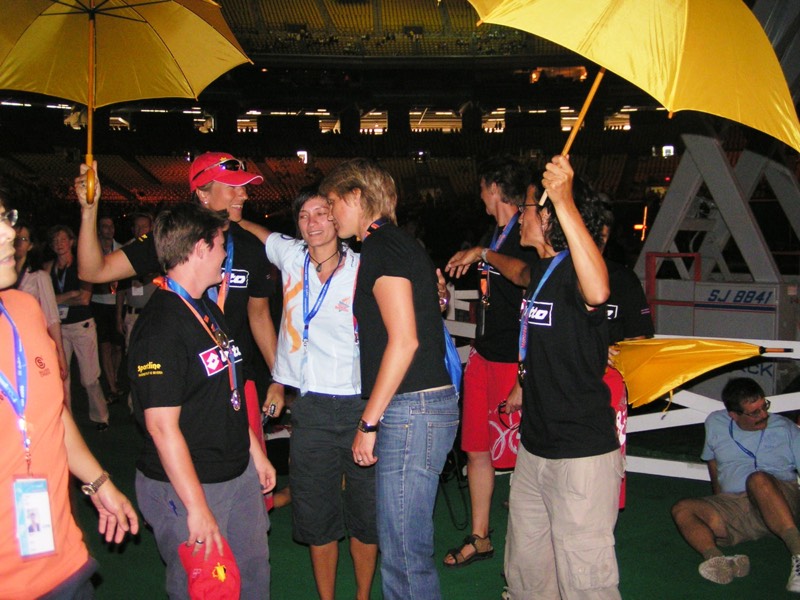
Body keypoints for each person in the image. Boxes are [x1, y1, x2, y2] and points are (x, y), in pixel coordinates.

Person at [74, 153, 278, 487]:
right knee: (187, 473)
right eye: (233, 187)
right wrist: (88, 211)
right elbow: (93, 271)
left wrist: (279, 379)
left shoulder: (251, 247)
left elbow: (259, 316)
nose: (243, 194)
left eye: (244, 187)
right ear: (202, 194)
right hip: (184, 384)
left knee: (248, 483)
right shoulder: (172, 239)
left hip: (235, 380)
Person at [321, 158, 459, 600]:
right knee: (403, 545)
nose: (330, 214)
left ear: (357, 196)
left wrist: (368, 423)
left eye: (332, 203)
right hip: (420, 405)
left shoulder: (383, 247)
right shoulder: (395, 244)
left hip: (412, 407)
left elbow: (404, 342)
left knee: (403, 551)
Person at [129, 202, 275, 599]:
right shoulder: (160, 329)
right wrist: (196, 507)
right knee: (207, 588)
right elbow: (161, 428)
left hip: (235, 471)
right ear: (199, 248)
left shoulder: (205, 307)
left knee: (253, 575)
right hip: (188, 484)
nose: (226, 255)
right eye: (221, 245)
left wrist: (255, 454)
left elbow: (225, 393)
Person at [240, 189, 378, 600]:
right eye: (304, 215)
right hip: (311, 407)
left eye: (321, 212)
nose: (313, 222)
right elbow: (255, 231)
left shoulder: (364, 266)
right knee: (318, 516)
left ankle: (363, 596)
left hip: (360, 405)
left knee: (365, 513)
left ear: (337, 218)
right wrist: (230, 212)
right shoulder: (290, 256)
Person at [0, 196, 139, 600]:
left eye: (6, 217)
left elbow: (52, 415)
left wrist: (99, 482)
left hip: (65, 564)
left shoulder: (23, 310)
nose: (9, 232)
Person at [503, 154, 623, 599]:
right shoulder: (542, 271)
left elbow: (599, 290)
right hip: (535, 447)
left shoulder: (576, 268)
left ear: (548, 215)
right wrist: (483, 255)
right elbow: (519, 274)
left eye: (527, 207)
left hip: (580, 455)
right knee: (527, 576)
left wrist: (565, 200)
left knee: (585, 583)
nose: (519, 216)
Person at [442, 156, 537, 568]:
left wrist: (483, 253)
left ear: (495, 188)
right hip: (483, 356)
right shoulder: (494, 233)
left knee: (526, 457)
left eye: (482, 188)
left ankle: (532, 543)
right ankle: (480, 538)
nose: (479, 195)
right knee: (476, 449)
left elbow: (526, 276)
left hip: (514, 362)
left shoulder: (527, 233)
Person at [671, 377, 800, 592]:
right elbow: (712, 460)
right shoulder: (716, 423)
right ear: (733, 415)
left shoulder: (786, 428)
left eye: (764, 406)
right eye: (754, 412)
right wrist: (718, 497)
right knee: (682, 508)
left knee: (757, 479)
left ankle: (798, 552)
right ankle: (719, 561)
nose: (763, 415)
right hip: (737, 504)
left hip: (779, 496)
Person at [45, 224, 109, 430]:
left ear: (71, 242)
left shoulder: (82, 267)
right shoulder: (47, 269)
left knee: (89, 378)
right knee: (61, 376)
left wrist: (55, 299)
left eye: (63, 239)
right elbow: (43, 300)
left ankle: (100, 417)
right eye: (55, 241)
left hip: (82, 326)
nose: (59, 244)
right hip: (58, 328)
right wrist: (69, 295)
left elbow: (83, 299)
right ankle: (67, 422)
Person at [14, 220, 70, 405]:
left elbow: (52, 317)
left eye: (23, 239)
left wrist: (60, 353)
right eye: (16, 238)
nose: (18, 243)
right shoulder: (5, 277)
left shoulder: (39, 276)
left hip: (32, 344)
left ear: (31, 245)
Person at [115, 212, 158, 413]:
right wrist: (118, 315)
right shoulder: (127, 253)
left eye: (145, 227)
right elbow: (120, 289)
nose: (141, 230)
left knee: (153, 358)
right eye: (137, 227)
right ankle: (134, 402)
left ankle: (151, 401)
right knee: (133, 358)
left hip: (153, 316)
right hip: (132, 315)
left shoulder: (159, 250)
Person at [91, 214, 124, 403]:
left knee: (118, 347)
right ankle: (112, 385)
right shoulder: (93, 250)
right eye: (105, 226)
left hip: (117, 303)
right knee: (105, 345)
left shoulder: (120, 249)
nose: (109, 230)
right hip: (99, 303)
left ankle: (115, 376)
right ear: (99, 230)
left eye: (111, 226)